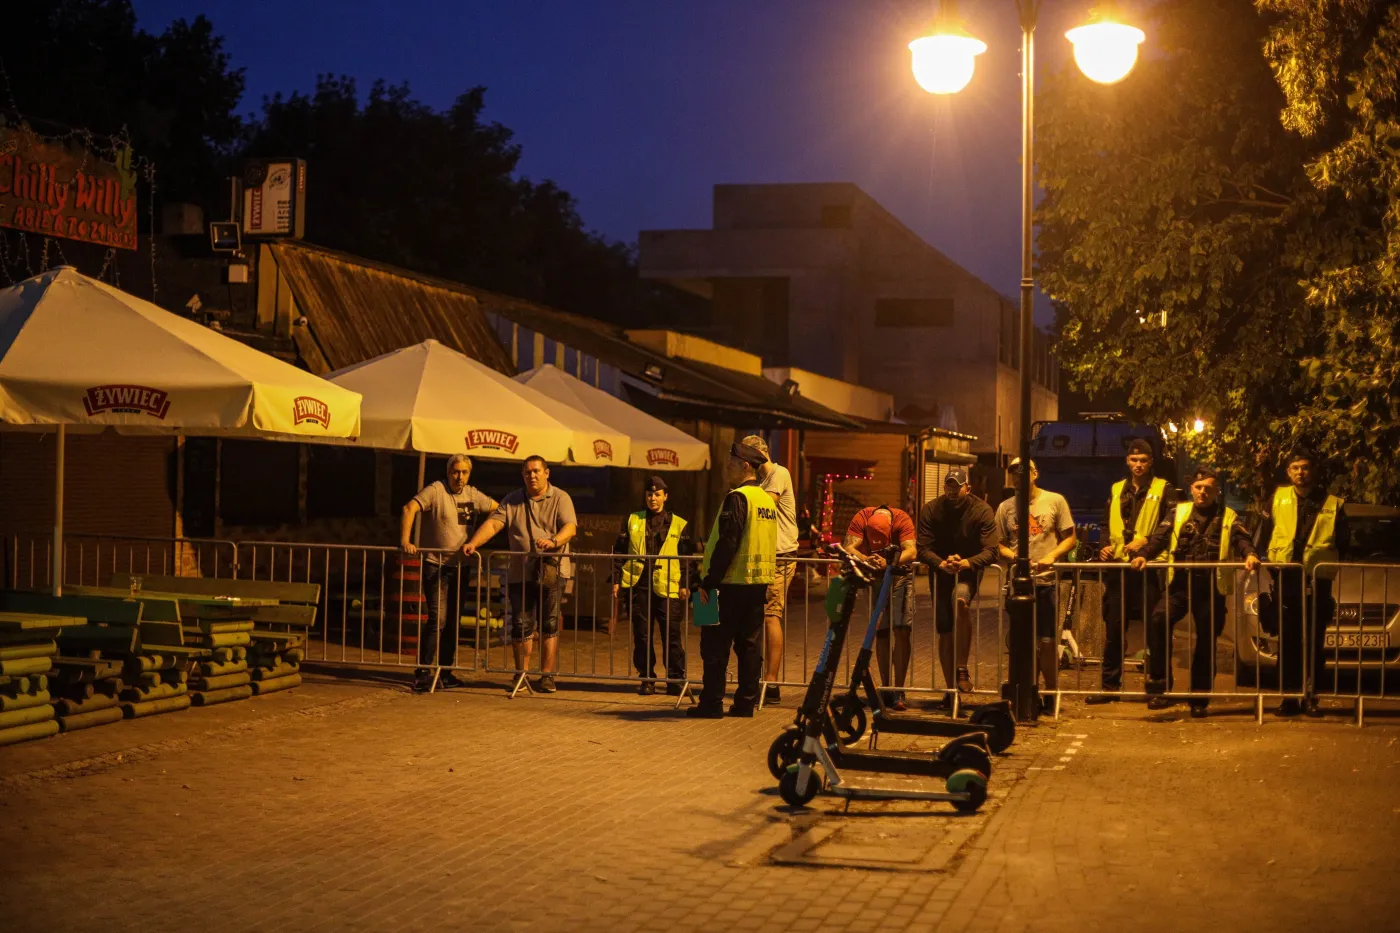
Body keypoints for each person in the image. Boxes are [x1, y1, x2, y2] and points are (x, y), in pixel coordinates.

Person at [1132, 466, 1260, 717]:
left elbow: (1241, 539)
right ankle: (1159, 685)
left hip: (1210, 587)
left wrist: (1251, 554)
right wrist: (1142, 555)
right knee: (1158, 619)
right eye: (1199, 487)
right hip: (1179, 584)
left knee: (1206, 642)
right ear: (1192, 488)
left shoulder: (1229, 516)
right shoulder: (1177, 512)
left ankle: (1199, 697)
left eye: (1208, 488)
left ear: (1216, 491)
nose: (1203, 492)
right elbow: (1158, 538)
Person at [462, 456, 577, 694]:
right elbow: (494, 524)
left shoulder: (560, 497)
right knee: (521, 623)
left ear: (547, 473)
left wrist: (553, 541)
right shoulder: (513, 499)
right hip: (520, 570)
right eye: (527, 472)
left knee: (549, 623)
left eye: (536, 471)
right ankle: (521, 674)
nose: (532, 476)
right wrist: (473, 543)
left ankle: (546, 676)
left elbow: (570, 528)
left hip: (552, 570)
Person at [688, 442, 778, 718]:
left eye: (731, 463)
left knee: (715, 646)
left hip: (729, 584)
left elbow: (728, 542)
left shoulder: (738, 498)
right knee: (749, 646)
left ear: (746, 466)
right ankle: (745, 703)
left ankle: (711, 703)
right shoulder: (766, 501)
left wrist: (708, 582)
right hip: (757, 583)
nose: (727, 468)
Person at [1257, 449, 1348, 717]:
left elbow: (1344, 542)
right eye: (1295, 467)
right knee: (1288, 641)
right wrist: (1271, 568)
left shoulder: (1332, 503)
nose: (1300, 472)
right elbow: (1264, 537)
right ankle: (1289, 698)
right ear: (1288, 472)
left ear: (1314, 471)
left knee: (1314, 642)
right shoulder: (1277, 498)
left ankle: (1312, 697)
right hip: (1286, 580)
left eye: (1305, 467)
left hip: (1318, 581)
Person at [1087, 438, 1178, 703]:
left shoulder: (1164, 489)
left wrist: (1146, 544)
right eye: (1134, 460)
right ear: (1127, 461)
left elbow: (1170, 524)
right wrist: (1105, 547)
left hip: (1149, 569)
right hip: (1118, 568)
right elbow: (1105, 523)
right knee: (1114, 628)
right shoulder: (1117, 489)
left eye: (1143, 460)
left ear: (1151, 462)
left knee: (1155, 629)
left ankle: (1160, 688)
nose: (1138, 465)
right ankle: (1109, 686)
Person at [399, 454, 498, 694]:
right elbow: (409, 507)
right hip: (436, 565)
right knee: (437, 619)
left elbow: (499, 511)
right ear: (448, 472)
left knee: (452, 621)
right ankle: (423, 673)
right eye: (456, 472)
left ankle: (445, 671)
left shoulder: (473, 495)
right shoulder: (437, 489)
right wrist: (406, 540)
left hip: (461, 567)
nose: (459, 477)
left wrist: (480, 540)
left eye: (464, 472)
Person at [995, 458, 1077, 707]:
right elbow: (999, 544)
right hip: (1018, 584)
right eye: (1013, 472)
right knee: (1022, 642)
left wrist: (1051, 557)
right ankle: (1028, 692)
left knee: (1047, 640)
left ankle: (1051, 693)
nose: (1018, 476)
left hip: (1045, 582)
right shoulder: (1005, 508)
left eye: (1023, 471)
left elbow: (1070, 538)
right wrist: (1017, 559)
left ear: (1035, 473)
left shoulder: (1055, 501)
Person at [917, 468, 1000, 703]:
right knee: (944, 629)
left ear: (968, 488)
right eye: (949, 486)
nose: (952, 491)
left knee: (961, 601)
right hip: (941, 570)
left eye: (957, 486)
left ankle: (962, 666)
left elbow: (991, 550)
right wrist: (941, 563)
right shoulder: (931, 509)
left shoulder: (981, 510)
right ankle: (950, 690)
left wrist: (966, 563)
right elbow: (923, 547)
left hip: (968, 569)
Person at [611, 475, 693, 696]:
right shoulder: (633, 519)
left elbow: (686, 558)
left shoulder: (678, 523)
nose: (652, 498)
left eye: (657, 494)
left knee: (672, 635)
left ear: (665, 497)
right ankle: (647, 678)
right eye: (649, 494)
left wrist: (686, 585)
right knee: (642, 635)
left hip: (669, 587)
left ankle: (675, 679)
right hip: (640, 585)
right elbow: (619, 551)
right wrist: (616, 579)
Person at [844, 504, 919, 710]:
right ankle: (886, 688)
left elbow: (911, 551)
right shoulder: (862, 517)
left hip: (900, 576)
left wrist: (888, 563)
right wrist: (866, 559)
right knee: (882, 632)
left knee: (902, 630)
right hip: (876, 576)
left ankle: (899, 690)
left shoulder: (902, 519)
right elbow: (849, 547)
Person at [741, 435, 798, 704]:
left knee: (771, 614)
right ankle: (756, 676)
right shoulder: (758, 481)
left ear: (762, 453)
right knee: (756, 615)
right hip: (762, 554)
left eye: (748, 454)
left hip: (781, 555)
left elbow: (765, 503)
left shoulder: (778, 474)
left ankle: (772, 681)